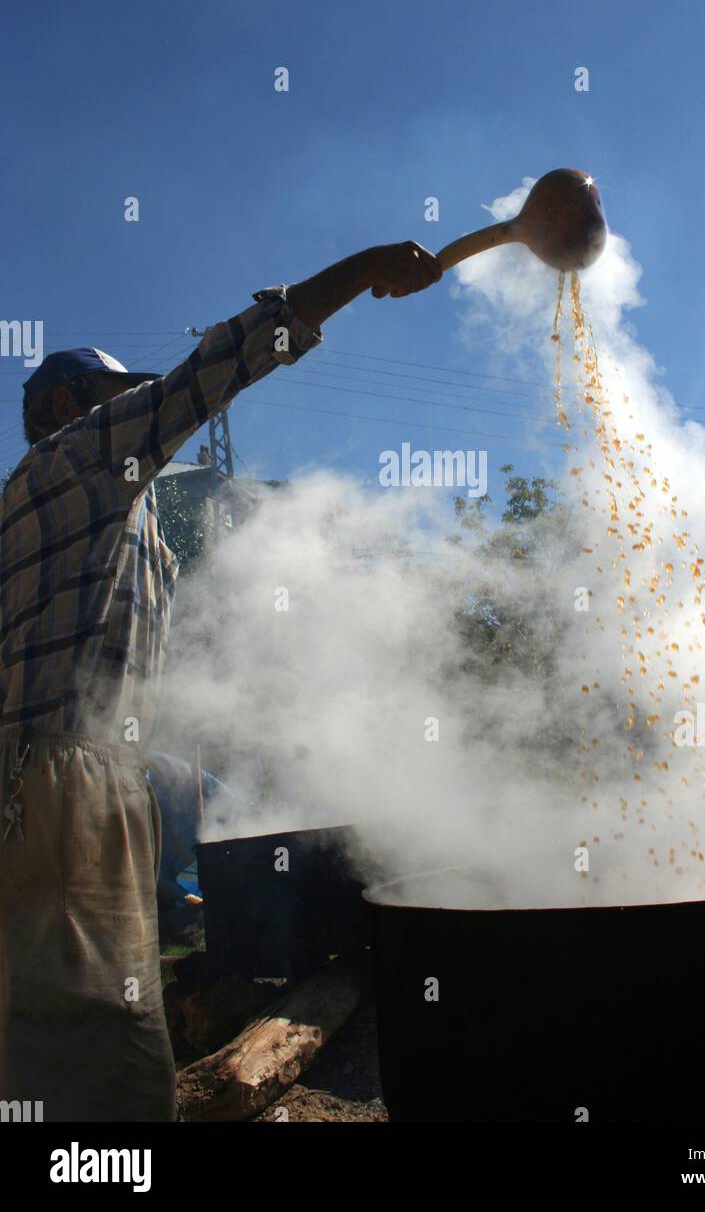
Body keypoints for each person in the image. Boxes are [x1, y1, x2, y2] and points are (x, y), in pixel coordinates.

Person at [0, 242, 441, 1121]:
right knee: (96, 1051)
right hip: (60, 785)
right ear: (67, 406)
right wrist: (353, 276)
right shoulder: (79, 458)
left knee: (60, 1037)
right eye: (119, 396)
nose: (140, 413)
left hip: (68, 779)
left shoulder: (108, 519)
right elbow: (212, 373)